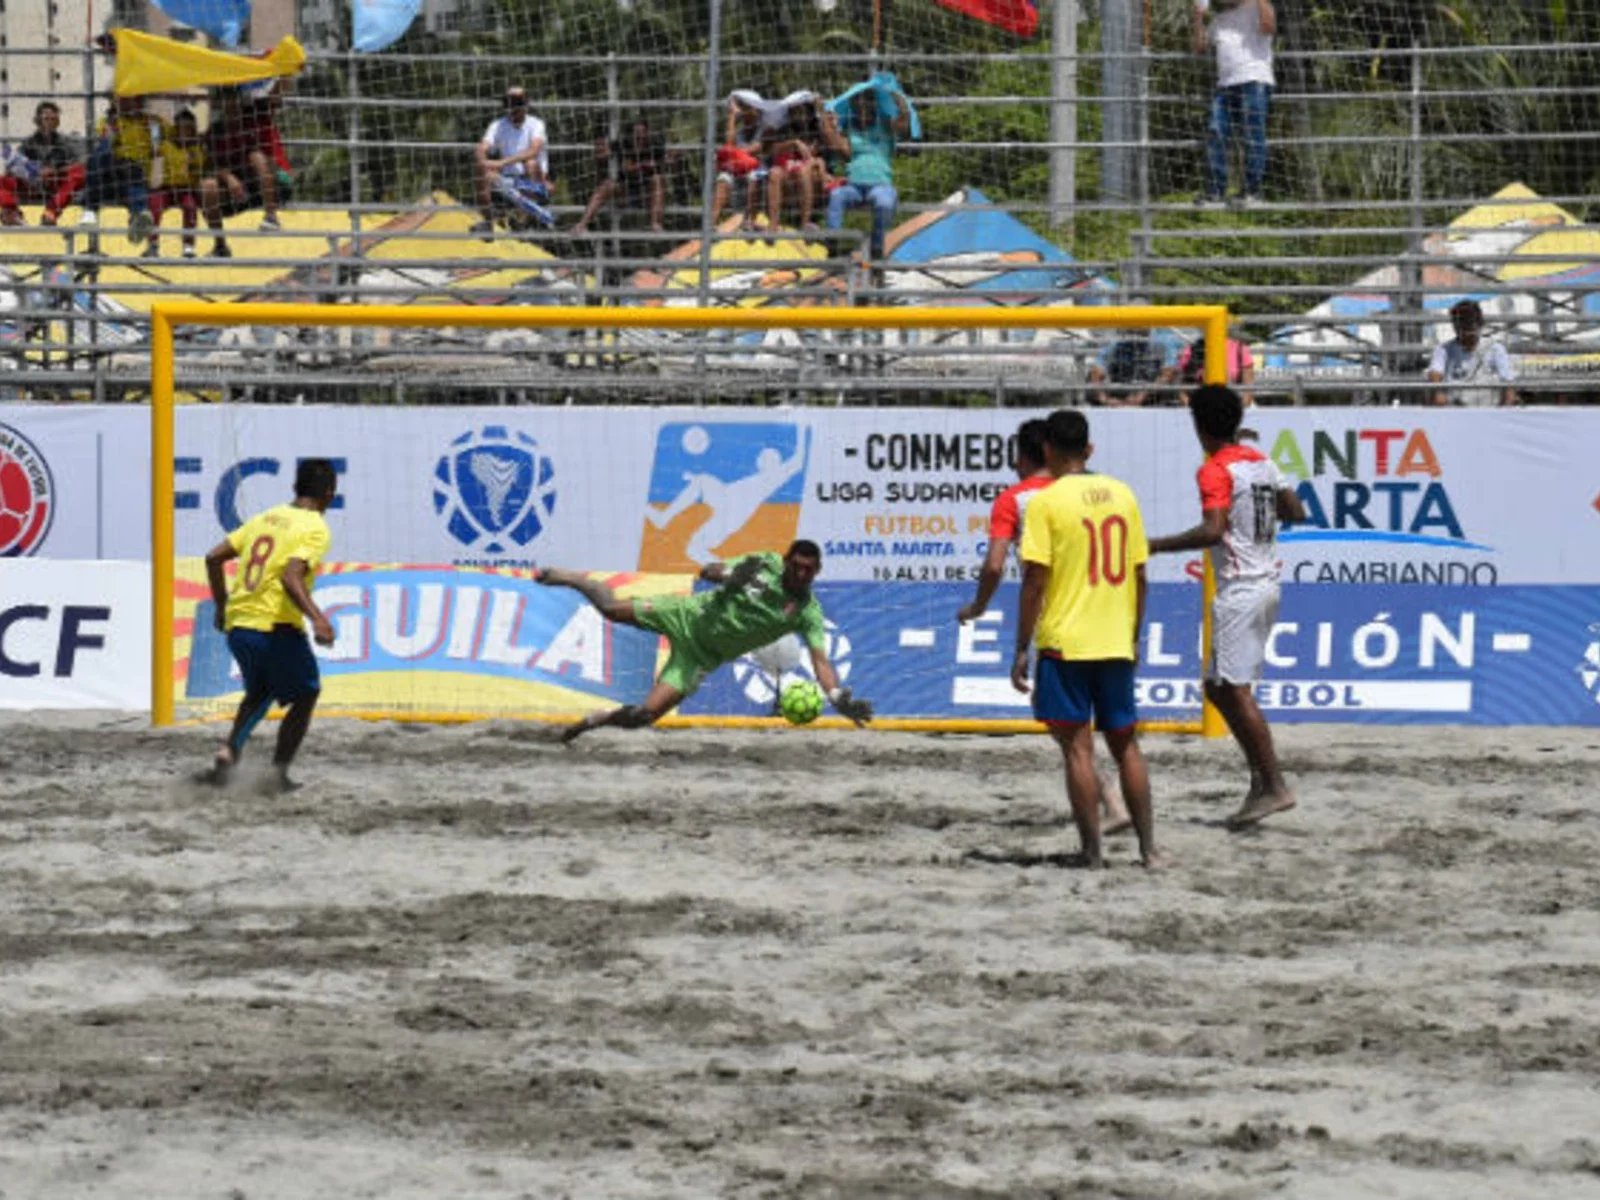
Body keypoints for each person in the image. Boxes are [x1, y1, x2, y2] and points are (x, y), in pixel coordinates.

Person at [1010, 410, 1163, 869]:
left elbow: (1035, 580)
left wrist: (1021, 647)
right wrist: (1133, 637)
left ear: (1048, 452)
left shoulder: (1046, 502)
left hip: (1066, 641)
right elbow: (1139, 575)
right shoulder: (1123, 495)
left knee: (1078, 749)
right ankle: (1150, 851)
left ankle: (1092, 853)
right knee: (1126, 745)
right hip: (1115, 637)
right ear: (1090, 450)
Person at [1148, 384, 1305, 829]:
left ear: (1198, 425)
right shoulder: (1261, 461)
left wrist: (1157, 545)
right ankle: (1260, 783)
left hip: (1241, 588)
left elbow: (1213, 531)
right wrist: (1264, 505)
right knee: (1218, 688)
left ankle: (1273, 784)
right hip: (1266, 581)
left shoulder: (1215, 469)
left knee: (1233, 690)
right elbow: (1295, 511)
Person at [536, 539, 873, 743]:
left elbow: (821, 662)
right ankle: (572, 578)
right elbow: (707, 571)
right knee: (610, 609)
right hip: (687, 615)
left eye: (809, 571)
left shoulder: (806, 611)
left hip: (700, 657)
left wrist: (837, 695)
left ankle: (594, 720)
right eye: (797, 567)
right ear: (786, 561)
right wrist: (729, 575)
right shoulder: (764, 564)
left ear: (817, 572)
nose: (802, 575)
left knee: (644, 716)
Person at [199, 458, 339, 792]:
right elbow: (291, 576)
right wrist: (318, 618)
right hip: (273, 627)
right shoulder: (315, 527)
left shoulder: (265, 518)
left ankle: (228, 752)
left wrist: (222, 607)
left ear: (294, 488)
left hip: (239, 625)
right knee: (307, 692)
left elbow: (212, 557)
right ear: (330, 495)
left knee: (259, 691)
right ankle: (277, 774)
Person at [1193, 0, 1276, 208]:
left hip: (1254, 79)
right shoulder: (1219, 21)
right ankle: (1215, 191)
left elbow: (1268, 27)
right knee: (1216, 133)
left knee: (1252, 136)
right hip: (1225, 85)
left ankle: (1251, 192)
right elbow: (1200, 47)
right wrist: (1198, 19)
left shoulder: (1257, 8)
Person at [822, 79, 912, 262]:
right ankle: (832, 246)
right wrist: (827, 122)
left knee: (884, 203)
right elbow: (840, 149)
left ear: (874, 104)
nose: (862, 107)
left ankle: (877, 247)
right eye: (857, 103)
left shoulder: (885, 124)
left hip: (880, 184)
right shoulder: (849, 128)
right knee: (836, 196)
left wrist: (900, 101)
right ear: (853, 106)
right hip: (854, 186)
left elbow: (903, 124)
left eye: (866, 102)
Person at [201, 85, 295, 256]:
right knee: (208, 186)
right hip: (232, 193)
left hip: (260, 186)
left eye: (234, 102)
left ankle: (271, 217)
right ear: (220, 105)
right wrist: (229, 178)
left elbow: (277, 94)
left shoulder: (253, 120)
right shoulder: (214, 132)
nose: (230, 107)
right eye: (226, 102)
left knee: (257, 158)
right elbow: (210, 165)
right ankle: (220, 245)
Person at [472, 85, 550, 237]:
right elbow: (483, 146)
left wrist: (501, 163)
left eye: (517, 102)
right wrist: (482, 157)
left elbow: (533, 150)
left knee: (531, 163)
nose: (513, 108)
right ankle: (487, 224)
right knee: (481, 167)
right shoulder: (498, 125)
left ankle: (522, 223)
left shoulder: (536, 124)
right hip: (507, 180)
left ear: (526, 104)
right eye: (509, 103)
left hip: (531, 181)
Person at [83, 93, 161, 243]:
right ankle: (136, 213)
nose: (128, 102)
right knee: (102, 152)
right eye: (122, 99)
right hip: (112, 175)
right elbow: (104, 143)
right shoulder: (111, 122)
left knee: (133, 167)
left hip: (139, 175)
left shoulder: (152, 123)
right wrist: (112, 125)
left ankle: (137, 216)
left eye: (133, 98)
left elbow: (162, 147)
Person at [0, 101, 87, 227]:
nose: (50, 122)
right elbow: (14, 166)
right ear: (37, 120)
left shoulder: (67, 142)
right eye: (46, 118)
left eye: (54, 119)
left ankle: (50, 213)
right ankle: (11, 212)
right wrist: (20, 171)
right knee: (3, 180)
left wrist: (55, 171)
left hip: (56, 185)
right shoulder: (28, 143)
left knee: (79, 173)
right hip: (31, 186)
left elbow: (82, 162)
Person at [573, 119, 666, 235]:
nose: (639, 139)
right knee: (606, 186)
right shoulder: (624, 143)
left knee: (657, 180)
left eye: (642, 135)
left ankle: (655, 224)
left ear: (647, 134)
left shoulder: (655, 146)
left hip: (645, 194)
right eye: (636, 135)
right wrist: (601, 148)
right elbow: (604, 153)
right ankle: (582, 225)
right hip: (625, 192)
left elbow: (663, 164)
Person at [1427, 299, 1518, 406]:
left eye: (1471, 320)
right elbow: (1435, 373)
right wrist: (1438, 392)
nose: (1467, 325)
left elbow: (1508, 382)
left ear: (1480, 322)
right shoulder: (1443, 349)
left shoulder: (1495, 348)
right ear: (1454, 325)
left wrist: (1505, 411)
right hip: (1455, 411)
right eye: (1462, 320)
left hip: (1488, 411)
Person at [146, 108, 207, 258]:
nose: (185, 133)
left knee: (190, 207)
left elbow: (197, 173)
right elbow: (156, 167)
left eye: (189, 130)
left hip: (185, 189)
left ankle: (188, 245)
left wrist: (192, 162)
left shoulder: (196, 150)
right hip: (166, 188)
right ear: (176, 130)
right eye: (182, 129)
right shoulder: (165, 146)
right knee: (154, 206)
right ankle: (152, 244)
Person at [1087, 334, 1181, 407]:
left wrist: (1143, 395)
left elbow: (1169, 372)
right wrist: (1105, 400)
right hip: (1120, 399)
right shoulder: (1115, 345)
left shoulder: (1162, 343)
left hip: (1153, 399)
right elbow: (1096, 371)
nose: (1134, 329)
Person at [1175, 333, 1255, 405]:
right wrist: (1191, 407)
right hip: (1200, 404)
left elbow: (1248, 387)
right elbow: (1181, 386)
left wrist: (1241, 409)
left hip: (1233, 404)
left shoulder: (1239, 348)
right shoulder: (1192, 350)